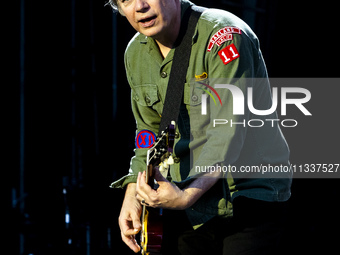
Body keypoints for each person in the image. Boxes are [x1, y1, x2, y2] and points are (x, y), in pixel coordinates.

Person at [108, 0, 292, 254]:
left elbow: (228, 130)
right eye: (126, 0)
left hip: (246, 198)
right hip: (188, 203)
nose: (139, 6)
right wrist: (132, 192)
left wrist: (187, 195)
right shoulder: (135, 53)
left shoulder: (224, 35)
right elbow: (148, 131)